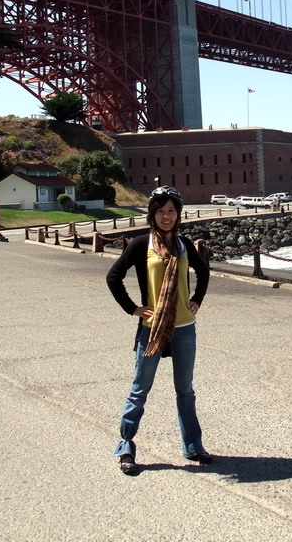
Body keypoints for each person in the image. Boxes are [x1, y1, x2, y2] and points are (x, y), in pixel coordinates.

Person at [106, 186, 211, 475]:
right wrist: (133, 308)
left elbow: (203, 273)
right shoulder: (142, 244)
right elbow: (113, 277)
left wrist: (196, 300)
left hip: (184, 328)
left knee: (185, 390)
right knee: (140, 389)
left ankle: (193, 446)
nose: (166, 216)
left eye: (171, 210)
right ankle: (126, 446)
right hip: (151, 328)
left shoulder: (184, 245)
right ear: (152, 213)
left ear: (178, 214)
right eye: (161, 210)